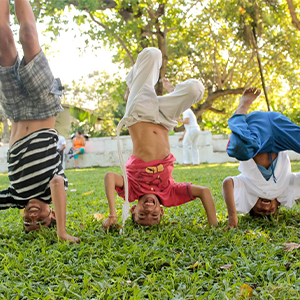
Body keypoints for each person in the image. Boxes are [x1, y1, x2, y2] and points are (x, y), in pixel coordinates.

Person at [102, 47, 218, 229]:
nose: (149, 210)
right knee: (195, 89)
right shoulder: (170, 194)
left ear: (133, 209)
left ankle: (132, 88)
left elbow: (109, 177)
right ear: (162, 212)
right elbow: (204, 192)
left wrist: (113, 214)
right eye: (154, 215)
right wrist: (214, 227)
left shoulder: (130, 190)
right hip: (166, 120)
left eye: (142, 214)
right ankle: (160, 89)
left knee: (152, 54)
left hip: (139, 115)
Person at [0, 0, 79, 243]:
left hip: (15, 110)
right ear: (52, 213)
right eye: (41, 220)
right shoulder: (52, 189)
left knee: (3, 39)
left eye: (27, 221)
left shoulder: (15, 196)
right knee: (28, 36)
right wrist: (61, 232)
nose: (33, 216)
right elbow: (57, 183)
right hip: (43, 106)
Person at [223, 87, 300, 228]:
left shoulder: (248, 187)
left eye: (259, 211)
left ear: (251, 204)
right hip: (279, 132)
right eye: (271, 212)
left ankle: (242, 108)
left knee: (241, 151)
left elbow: (227, 183)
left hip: (256, 133)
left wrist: (233, 217)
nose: (266, 209)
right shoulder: (285, 189)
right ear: (277, 205)